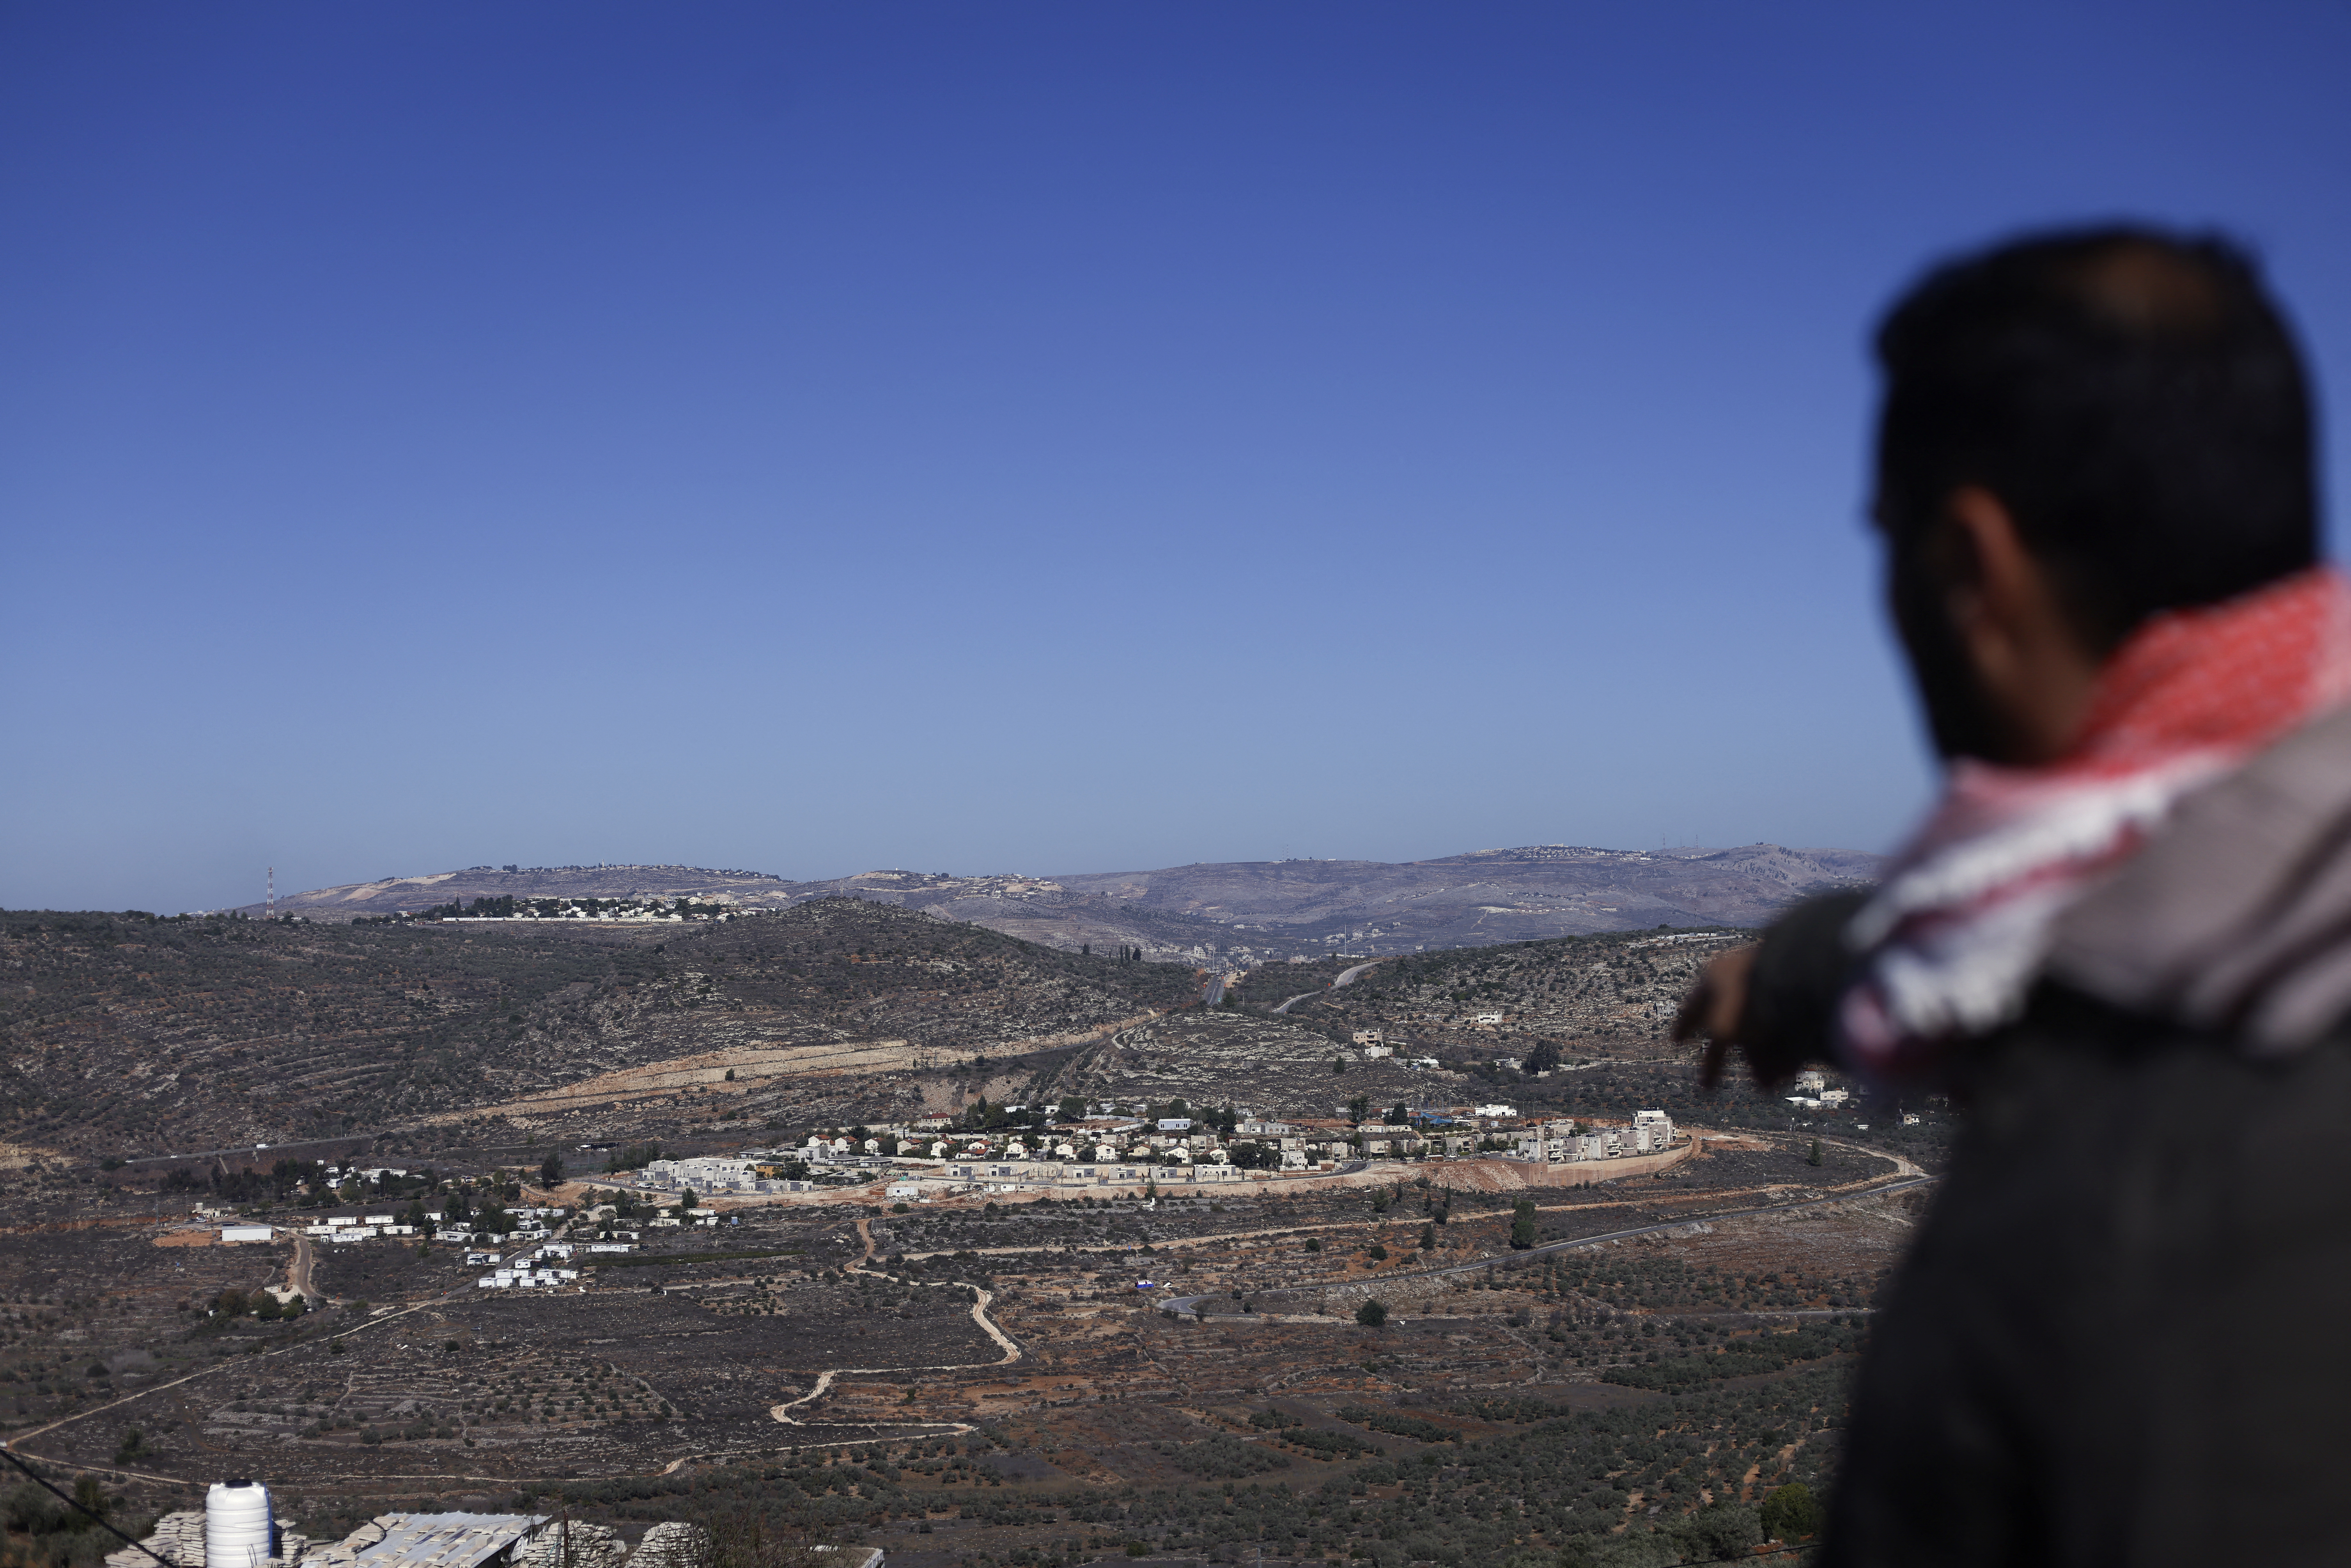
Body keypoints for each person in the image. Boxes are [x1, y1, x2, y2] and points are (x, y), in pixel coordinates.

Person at [1678, 226, 2351, 1565]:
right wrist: (1802, 967)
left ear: (1966, 572)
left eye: (1888, 544)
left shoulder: (2179, 1215)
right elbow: (2051, 936)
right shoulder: (2250, 883)